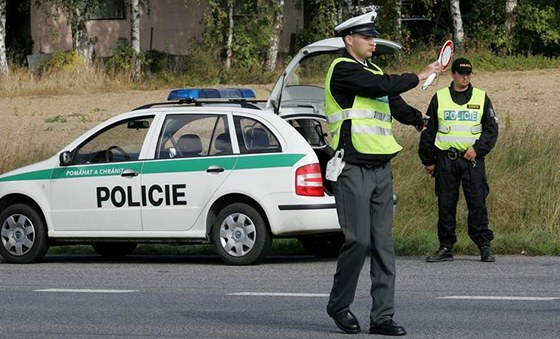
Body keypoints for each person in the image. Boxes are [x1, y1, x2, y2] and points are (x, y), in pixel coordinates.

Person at [325, 10, 441, 336]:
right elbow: (380, 84)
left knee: (384, 246)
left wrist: (419, 120)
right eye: (367, 36)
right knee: (358, 241)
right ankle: (338, 304)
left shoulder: (373, 68)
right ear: (350, 39)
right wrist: (419, 75)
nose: (373, 41)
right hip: (352, 169)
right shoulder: (342, 70)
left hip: (380, 169)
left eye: (373, 36)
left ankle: (382, 317)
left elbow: (392, 101)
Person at [419, 57, 499, 263]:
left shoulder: (481, 98)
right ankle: (446, 247)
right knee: (446, 204)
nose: (465, 77)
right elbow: (429, 130)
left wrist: (477, 149)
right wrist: (428, 160)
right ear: (453, 74)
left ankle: (484, 245)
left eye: (468, 73)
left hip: (472, 160)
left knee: (477, 203)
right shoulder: (440, 97)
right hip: (446, 159)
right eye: (461, 73)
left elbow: (491, 130)